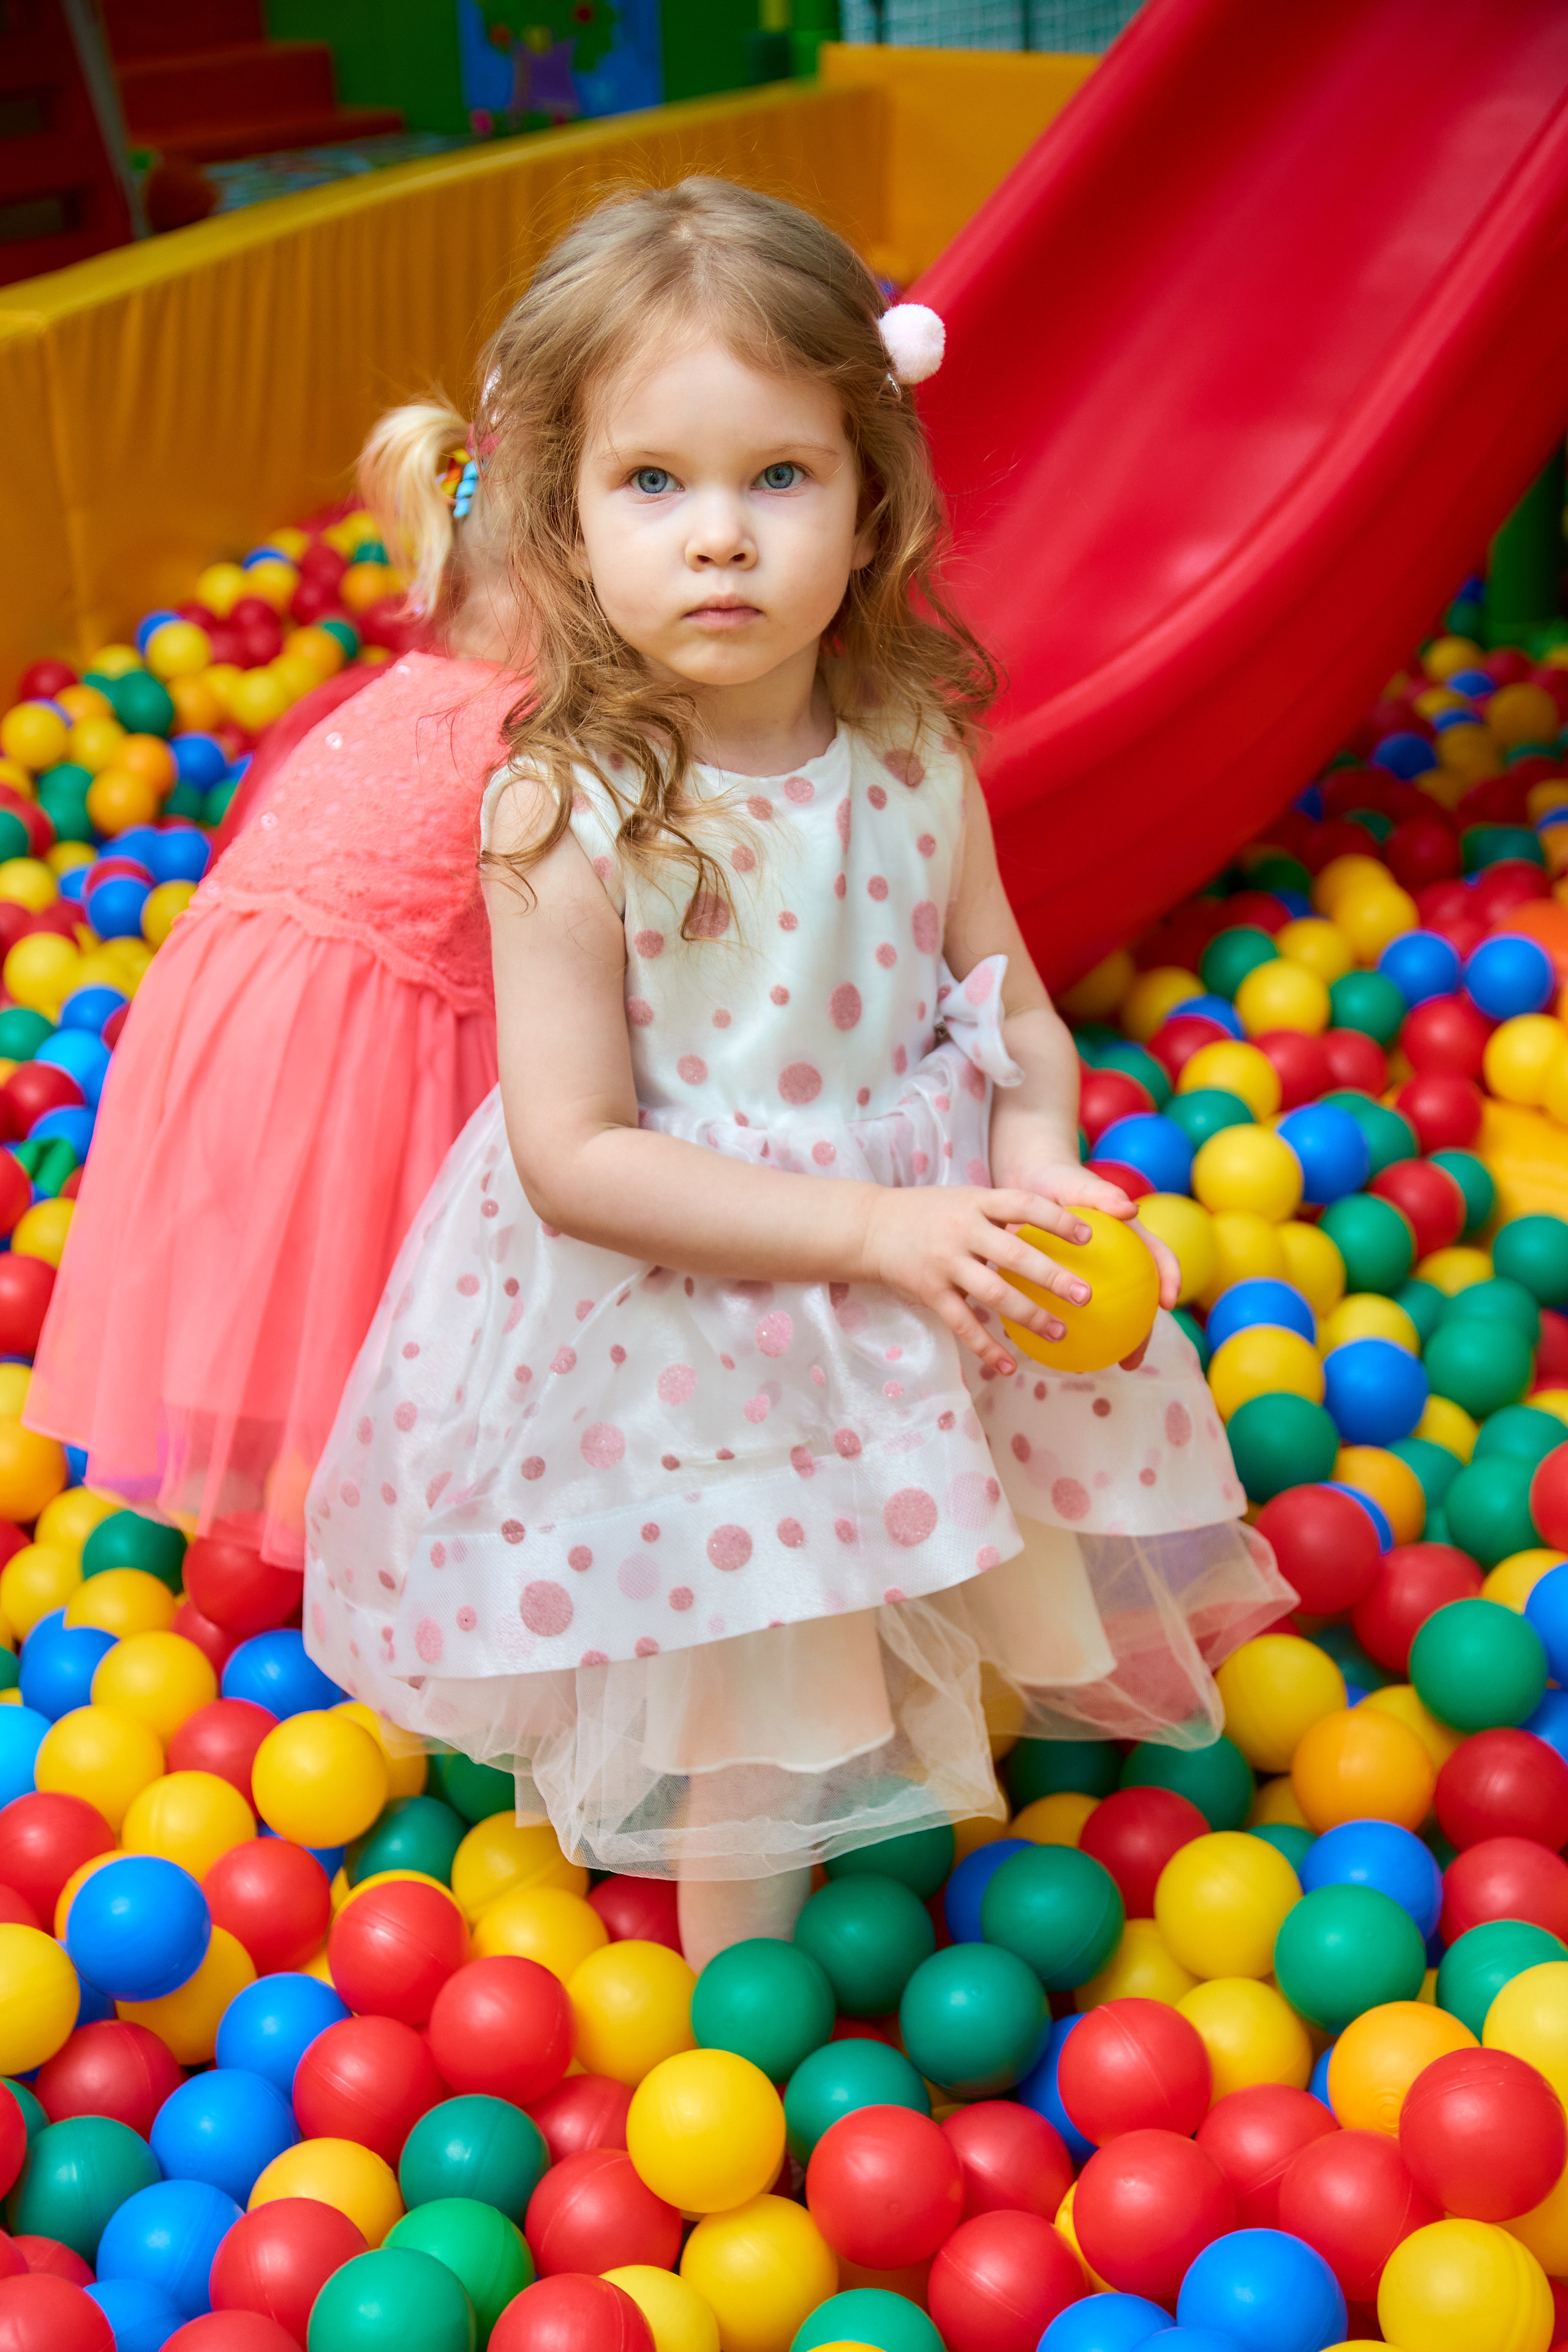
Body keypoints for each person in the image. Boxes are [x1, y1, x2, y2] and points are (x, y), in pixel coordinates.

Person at [303, 178, 1290, 1966]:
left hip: (913, 1271)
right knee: (750, 1675)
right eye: (655, 484)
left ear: (871, 501)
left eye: (780, 477)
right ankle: (734, 2011)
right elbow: (574, 1153)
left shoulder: (915, 750)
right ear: (564, 515)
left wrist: (1043, 1157)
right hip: (692, 1318)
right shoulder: (562, 803)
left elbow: (1012, 1011)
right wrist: (864, 1234)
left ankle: (924, 1794)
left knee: (938, 1557)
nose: (721, 540)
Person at [26, 402, 526, 1574]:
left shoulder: (378, 691)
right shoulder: (552, 731)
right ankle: (386, 1546)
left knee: (276, 1281)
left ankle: (275, 1485)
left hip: (224, 1004)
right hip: (351, 1036)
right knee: (379, 1286)